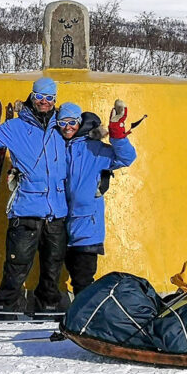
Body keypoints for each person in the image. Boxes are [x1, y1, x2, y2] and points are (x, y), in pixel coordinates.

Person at [0, 76, 68, 317]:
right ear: (32, 96)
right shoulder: (15, 128)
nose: (44, 102)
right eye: (40, 97)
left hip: (57, 213)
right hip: (26, 210)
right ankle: (5, 311)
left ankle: (47, 311)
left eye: (49, 98)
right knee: (16, 266)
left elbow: (83, 149)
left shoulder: (62, 129)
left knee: (53, 269)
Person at [56, 99, 137, 296]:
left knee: (83, 279)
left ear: (79, 122)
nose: (67, 128)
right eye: (62, 123)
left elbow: (127, 157)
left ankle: (83, 318)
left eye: (72, 122)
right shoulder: (57, 147)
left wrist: (117, 133)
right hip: (58, 224)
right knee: (52, 275)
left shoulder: (95, 149)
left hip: (87, 226)